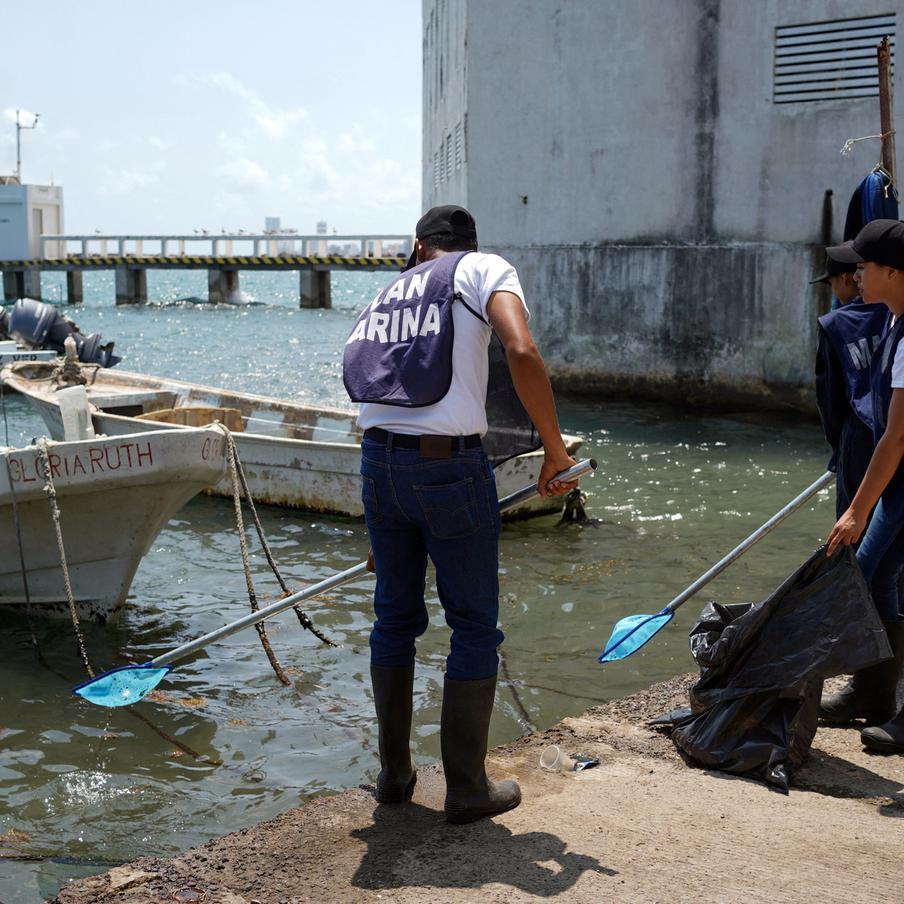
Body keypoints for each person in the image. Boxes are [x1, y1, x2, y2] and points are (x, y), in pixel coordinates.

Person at [342, 205, 577, 820]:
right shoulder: (483, 269)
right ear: (469, 245)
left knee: (393, 620)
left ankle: (394, 778)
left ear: (420, 247)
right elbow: (520, 350)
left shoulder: (389, 291)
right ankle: (467, 789)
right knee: (473, 626)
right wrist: (553, 450)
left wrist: (384, 522)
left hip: (377, 464)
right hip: (447, 467)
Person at [824, 219, 904, 749]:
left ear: (894, 271)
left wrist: (857, 509)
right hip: (898, 488)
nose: (857, 274)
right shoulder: (895, 322)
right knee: (875, 577)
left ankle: (880, 693)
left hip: (901, 486)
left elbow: (897, 437)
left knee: (870, 569)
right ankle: (877, 690)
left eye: (866, 265)